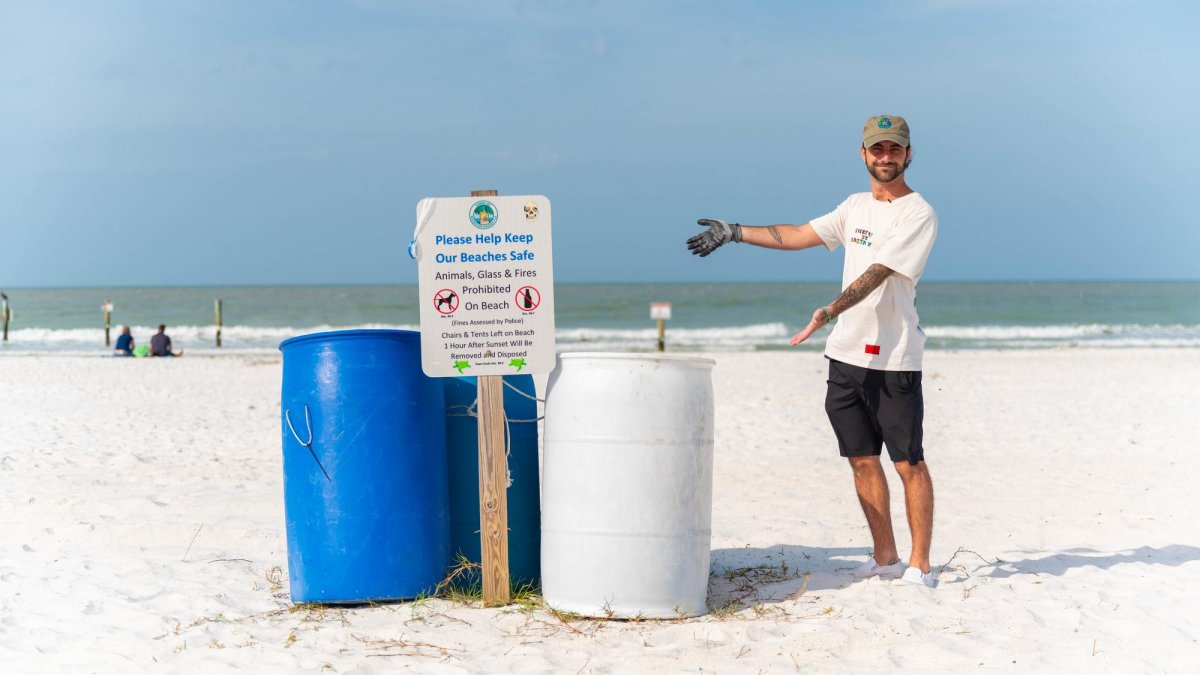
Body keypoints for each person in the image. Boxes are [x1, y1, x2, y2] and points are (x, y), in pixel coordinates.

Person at [687, 114, 939, 588]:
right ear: (862, 154)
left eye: (894, 149)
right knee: (862, 459)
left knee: (908, 463)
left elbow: (880, 271)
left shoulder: (918, 213)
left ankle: (920, 565)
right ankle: (885, 558)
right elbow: (801, 234)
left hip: (894, 359)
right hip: (845, 358)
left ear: (909, 154)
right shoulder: (854, 206)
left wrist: (829, 310)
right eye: (877, 149)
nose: (885, 157)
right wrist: (735, 231)